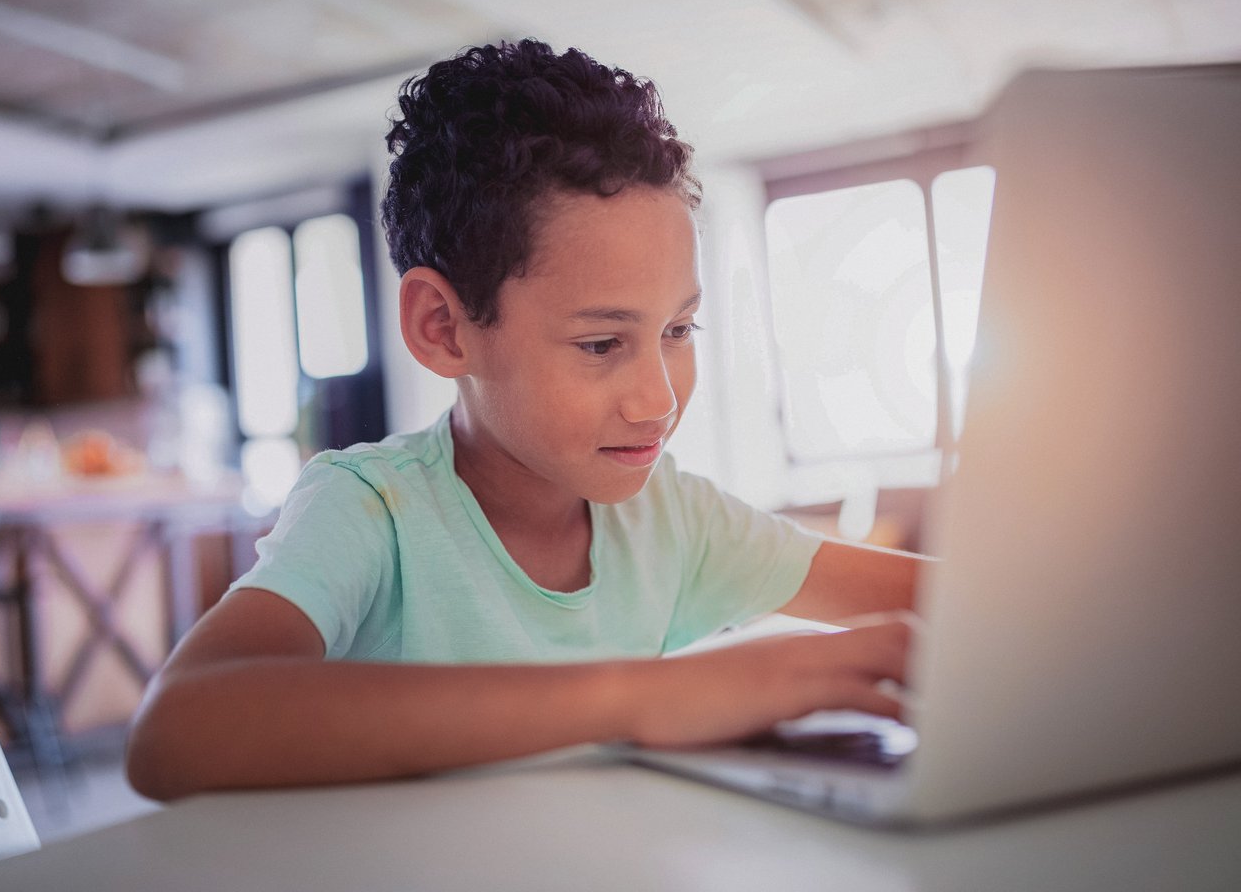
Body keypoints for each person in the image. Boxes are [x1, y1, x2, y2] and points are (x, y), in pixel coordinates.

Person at [126, 39, 921, 801]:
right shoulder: (372, 512)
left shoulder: (671, 518)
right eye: (602, 342)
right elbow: (176, 732)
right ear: (444, 327)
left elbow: (942, 603)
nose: (660, 401)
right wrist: (647, 696)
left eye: (677, 331)